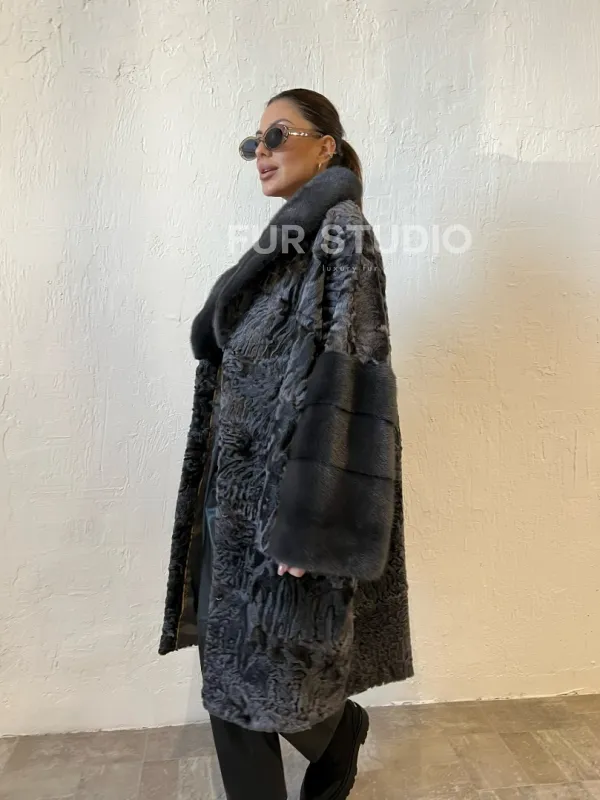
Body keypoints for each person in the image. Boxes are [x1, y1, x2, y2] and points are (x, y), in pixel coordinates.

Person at [159, 88, 413, 800]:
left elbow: (352, 375)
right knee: (230, 672)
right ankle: (341, 731)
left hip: (286, 507)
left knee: (266, 671)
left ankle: (338, 733)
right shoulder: (283, 246)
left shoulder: (342, 233)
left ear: (326, 146)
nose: (261, 153)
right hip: (231, 502)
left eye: (278, 134)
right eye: (254, 142)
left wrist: (315, 520)